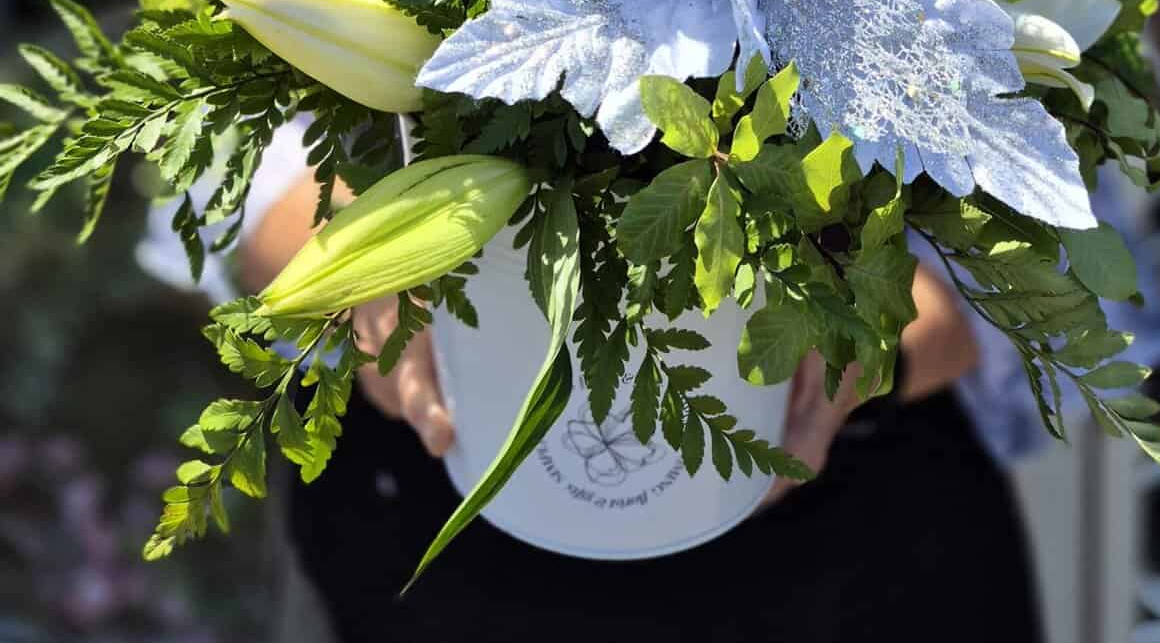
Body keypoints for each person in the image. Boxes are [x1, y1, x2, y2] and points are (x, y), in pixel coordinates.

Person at [240, 162, 1046, 643]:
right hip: (435, 536)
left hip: (856, 540)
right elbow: (240, 163)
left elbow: (1041, 235)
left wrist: (875, 339)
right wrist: (357, 276)